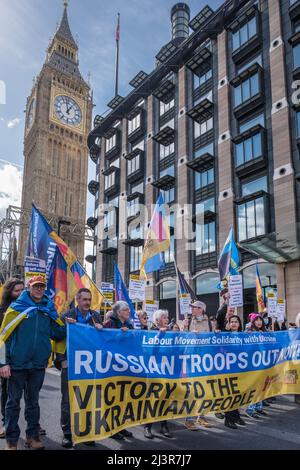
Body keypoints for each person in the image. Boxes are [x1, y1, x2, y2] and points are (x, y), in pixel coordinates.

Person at [0, 275, 66, 450]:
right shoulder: (16, 308)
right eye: (36, 286)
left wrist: (66, 324)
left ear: (44, 288)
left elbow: (57, 334)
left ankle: (32, 437)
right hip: (16, 365)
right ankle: (11, 441)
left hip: (38, 364)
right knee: (13, 403)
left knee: (33, 402)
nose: (39, 289)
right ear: (30, 287)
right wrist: (3, 363)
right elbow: (4, 337)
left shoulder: (48, 308)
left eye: (42, 287)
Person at [55, 288, 103, 449]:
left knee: (89, 400)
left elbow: (102, 339)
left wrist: (101, 329)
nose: (87, 302)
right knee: (68, 401)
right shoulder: (67, 315)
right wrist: (62, 360)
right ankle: (68, 434)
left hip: (90, 367)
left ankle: (86, 432)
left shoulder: (96, 316)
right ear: (77, 300)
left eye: (89, 299)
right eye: (84, 299)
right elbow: (58, 339)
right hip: (70, 365)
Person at [103, 301, 135, 441]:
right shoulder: (109, 324)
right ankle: (111, 428)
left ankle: (121, 426)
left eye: (128, 309)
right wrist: (118, 335)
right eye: (126, 309)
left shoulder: (129, 325)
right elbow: (103, 340)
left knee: (123, 398)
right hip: (112, 367)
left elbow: (135, 339)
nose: (129, 311)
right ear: (118, 312)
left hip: (125, 367)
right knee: (113, 399)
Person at [0, 278, 24, 440]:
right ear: (9, 293)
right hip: (4, 357)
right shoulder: (2, 310)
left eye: (23, 290)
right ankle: (4, 423)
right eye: (17, 291)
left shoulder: (27, 308)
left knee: (25, 393)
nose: (21, 294)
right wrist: (3, 362)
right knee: (5, 391)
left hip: (22, 358)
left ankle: (32, 425)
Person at [144, 309, 173, 439]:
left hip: (167, 370)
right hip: (153, 371)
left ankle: (164, 425)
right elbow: (151, 350)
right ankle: (148, 426)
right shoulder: (150, 332)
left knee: (165, 399)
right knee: (152, 399)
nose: (167, 319)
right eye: (164, 317)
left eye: (167, 317)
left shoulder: (171, 332)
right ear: (157, 321)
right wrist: (159, 336)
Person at [183, 301, 211, 429]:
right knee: (191, 388)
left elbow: (213, 338)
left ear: (200, 309)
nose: (192, 309)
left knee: (204, 387)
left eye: (194, 307)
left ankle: (202, 416)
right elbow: (182, 339)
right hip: (192, 358)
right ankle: (189, 418)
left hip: (205, 358)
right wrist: (187, 330)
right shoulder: (187, 321)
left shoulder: (210, 321)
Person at [222, 315, 246, 429]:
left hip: (239, 369)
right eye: (231, 322)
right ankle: (228, 419)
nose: (234, 324)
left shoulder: (243, 336)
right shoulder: (225, 336)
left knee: (238, 393)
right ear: (229, 324)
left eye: (236, 321)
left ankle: (236, 416)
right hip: (228, 370)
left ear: (239, 324)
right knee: (230, 394)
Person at [245, 313, 268, 419]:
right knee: (253, 387)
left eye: (260, 320)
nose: (259, 322)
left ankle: (259, 407)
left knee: (261, 386)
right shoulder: (249, 332)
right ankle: (250, 409)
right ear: (252, 322)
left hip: (263, 363)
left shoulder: (265, 332)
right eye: (256, 320)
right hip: (253, 363)